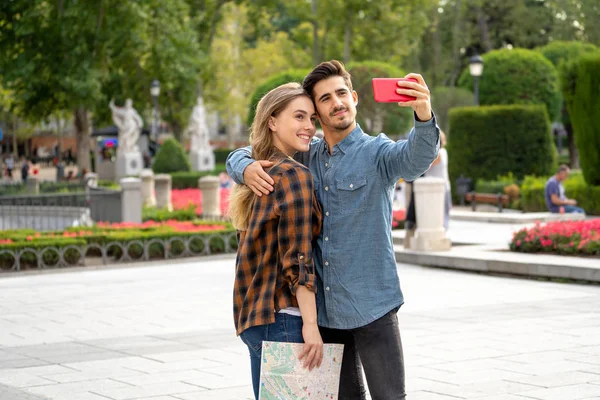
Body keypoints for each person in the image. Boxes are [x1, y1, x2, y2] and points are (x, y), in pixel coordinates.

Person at [227, 60, 440, 399]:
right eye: (325, 99)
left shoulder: (377, 152)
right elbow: (249, 150)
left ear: (354, 97)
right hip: (325, 315)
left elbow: (416, 158)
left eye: (342, 93)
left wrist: (424, 115)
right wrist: (245, 166)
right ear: (317, 113)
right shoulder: (305, 156)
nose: (337, 102)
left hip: (373, 305)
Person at [228, 82, 324, 400]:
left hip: (254, 316)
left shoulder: (260, 172)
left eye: (312, 118)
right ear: (272, 120)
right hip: (284, 318)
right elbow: (298, 259)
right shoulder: (294, 176)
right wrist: (310, 325)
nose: (309, 126)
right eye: (299, 116)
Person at [425, 130, 451, 229]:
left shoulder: (439, 153)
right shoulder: (443, 152)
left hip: (438, 188)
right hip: (439, 186)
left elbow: (426, 165)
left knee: (440, 212)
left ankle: (443, 229)